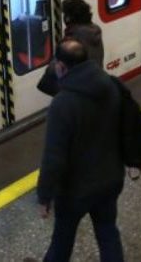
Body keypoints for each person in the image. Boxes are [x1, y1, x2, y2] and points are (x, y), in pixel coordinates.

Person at [38, 39, 125, 262]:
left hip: (75, 189)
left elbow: (54, 157)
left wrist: (44, 195)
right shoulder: (111, 85)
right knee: (107, 232)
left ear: (61, 66)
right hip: (110, 178)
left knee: (62, 240)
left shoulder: (63, 103)